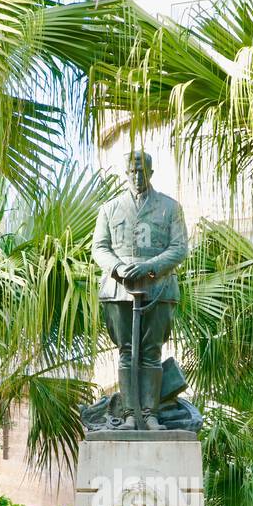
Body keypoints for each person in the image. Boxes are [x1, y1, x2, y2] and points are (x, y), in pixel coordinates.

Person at [92, 151, 188, 429]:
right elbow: (100, 247)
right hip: (119, 289)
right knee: (125, 352)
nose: (137, 176)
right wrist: (119, 268)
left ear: (151, 173)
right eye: (132, 172)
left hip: (159, 287)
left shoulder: (170, 208)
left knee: (151, 352)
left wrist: (150, 267)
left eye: (142, 171)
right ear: (125, 173)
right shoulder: (110, 209)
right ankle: (129, 415)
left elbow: (179, 248)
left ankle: (150, 415)